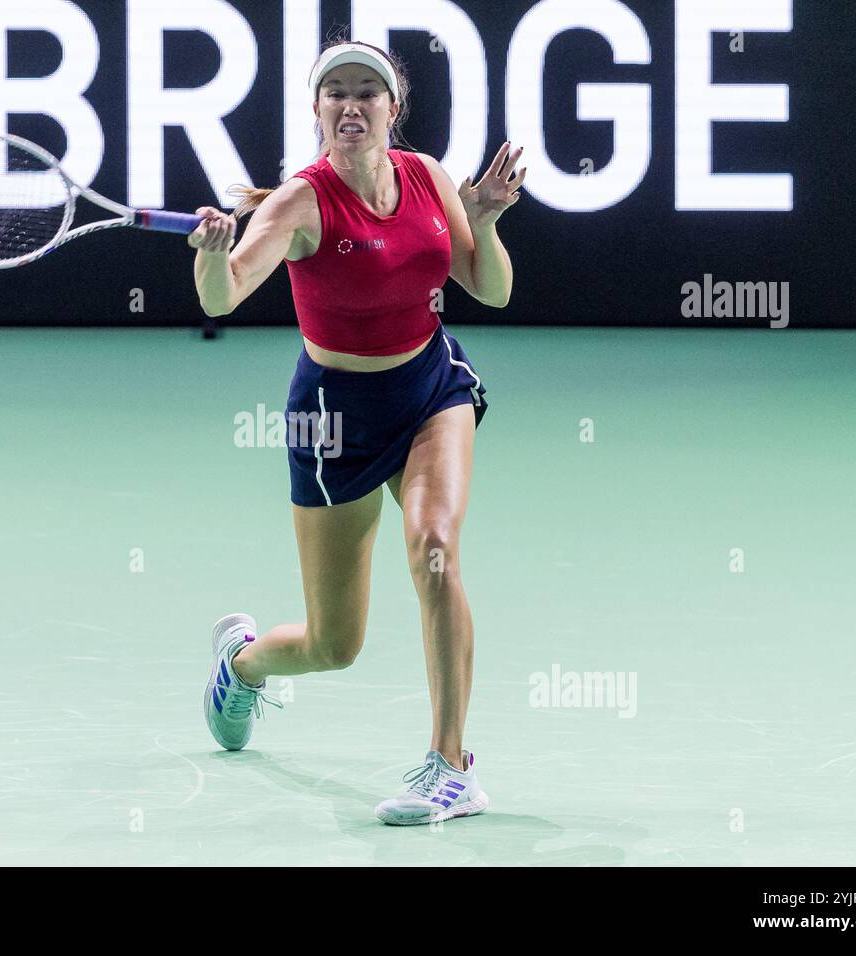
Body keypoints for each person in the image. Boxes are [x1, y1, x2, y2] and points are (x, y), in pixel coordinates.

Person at [194, 40, 526, 825]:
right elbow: (224, 296)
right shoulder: (298, 204)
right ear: (316, 112)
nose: (351, 104)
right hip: (333, 418)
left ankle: (451, 767)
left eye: (366, 92)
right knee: (334, 644)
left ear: (391, 109)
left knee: (435, 549)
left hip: (428, 387)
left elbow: (491, 287)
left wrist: (485, 221)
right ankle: (241, 666)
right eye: (334, 93)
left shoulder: (428, 176)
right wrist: (211, 258)